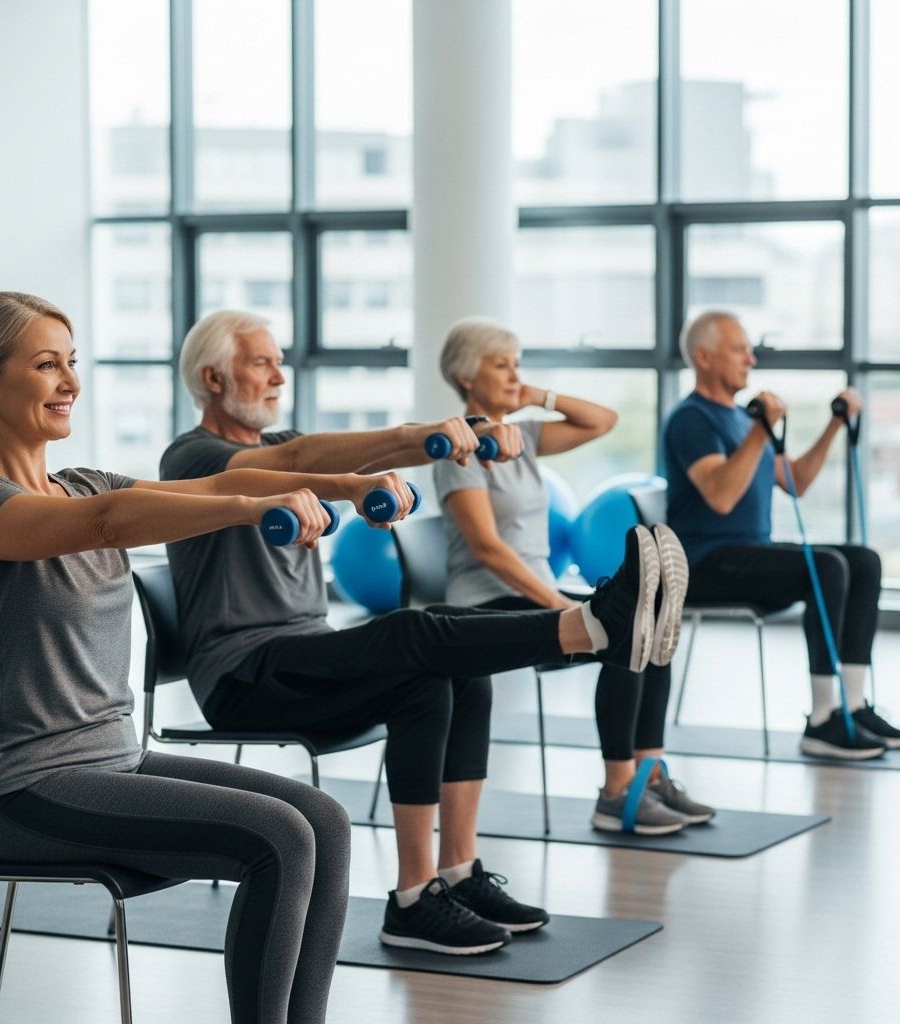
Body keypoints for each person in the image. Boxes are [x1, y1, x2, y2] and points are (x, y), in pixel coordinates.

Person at [0, 290, 439, 1024]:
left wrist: (345, 488)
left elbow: (225, 478)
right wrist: (244, 513)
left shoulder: (84, 481)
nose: (71, 381)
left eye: (72, 363)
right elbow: (105, 524)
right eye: (47, 365)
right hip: (25, 789)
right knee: (279, 838)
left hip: (112, 761)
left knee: (322, 819)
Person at [161, 309, 682, 955]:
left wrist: (444, 438)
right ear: (213, 377)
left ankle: (437, 886)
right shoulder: (192, 458)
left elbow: (328, 452)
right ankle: (592, 628)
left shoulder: (280, 443)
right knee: (412, 631)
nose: (278, 376)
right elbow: (300, 460)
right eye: (261, 362)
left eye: (279, 361)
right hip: (246, 673)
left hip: (305, 652)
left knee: (448, 669)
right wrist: (416, 438)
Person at [433, 316, 713, 836]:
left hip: (537, 590)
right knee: (622, 632)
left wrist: (536, 394)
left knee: (650, 625)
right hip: (484, 604)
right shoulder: (459, 451)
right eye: (500, 365)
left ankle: (648, 776)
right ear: (466, 377)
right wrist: (564, 607)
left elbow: (602, 420)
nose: (513, 374)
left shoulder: (523, 438)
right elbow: (488, 550)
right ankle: (615, 795)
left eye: (517, 363)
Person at [663, 309, 900, 760]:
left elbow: (796, 480)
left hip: (748, 556)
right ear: (703, 356)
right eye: (739, 350)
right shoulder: (691, 420)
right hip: (703, 564)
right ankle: (822, 719)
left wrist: (835, 424)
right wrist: (761, 430)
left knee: (863, 559)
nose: (751, 360)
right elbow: (720, 496)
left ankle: (853, 708)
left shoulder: (740, 419)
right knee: (828, 565)